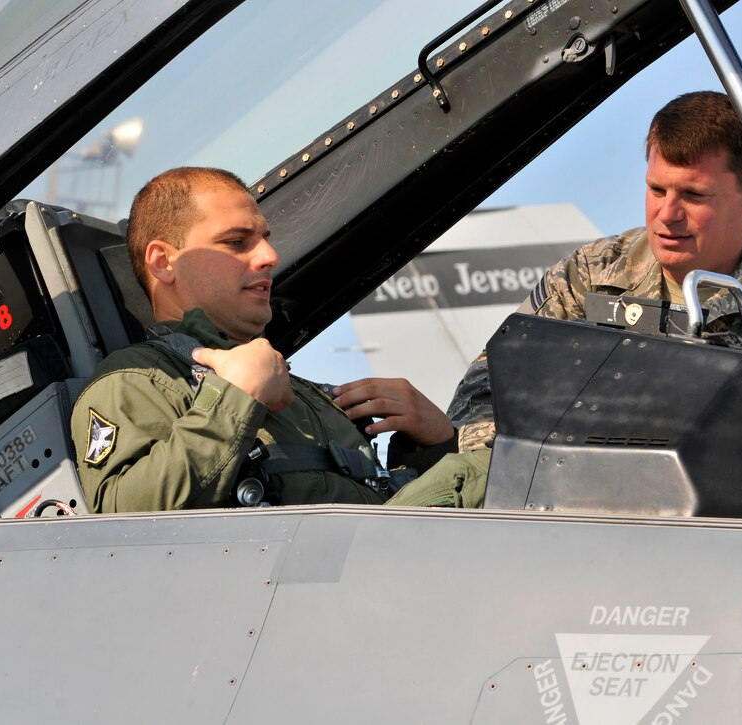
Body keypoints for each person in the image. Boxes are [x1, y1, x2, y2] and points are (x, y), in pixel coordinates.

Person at [446, 90, 742, 453]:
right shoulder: (591, 275)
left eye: (693, 195)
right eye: (657, 190)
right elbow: (483, 398)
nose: (667, 215)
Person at [71, 166, 477, 512]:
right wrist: (236, 395)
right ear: (164, 262)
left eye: (264, 237)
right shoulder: (135, 380)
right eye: (236, 242)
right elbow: (123, 522)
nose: (269, 256)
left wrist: (436, 441)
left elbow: (377, 509)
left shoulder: (299, 392)